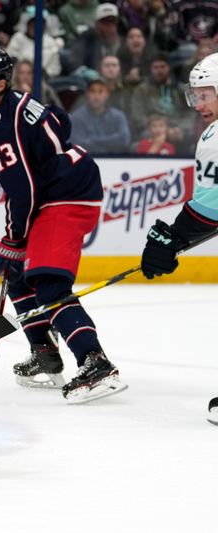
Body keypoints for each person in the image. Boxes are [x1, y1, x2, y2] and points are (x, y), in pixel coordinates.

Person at [0, 47, 127, 404]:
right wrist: (13, 244)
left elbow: (24, 192)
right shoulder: (23, 101)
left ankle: (95, 361)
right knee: (15, 270)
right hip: (65, 186)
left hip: (65, 196)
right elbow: (62, 120)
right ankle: (45, 352)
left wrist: (14, 237)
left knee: (50, 283)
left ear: (0, 83)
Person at [139, 52, 218, 425]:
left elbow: (210, 210)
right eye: (195, 95)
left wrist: (171, 239)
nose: (197, 103)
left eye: (205, 94)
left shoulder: (214, 138)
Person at [69, 77, 131, 154]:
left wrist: (92, 140)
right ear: (87, 94)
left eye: (100, 91)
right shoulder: (76, 117)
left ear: (107, 94)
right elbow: (78, 144)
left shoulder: (118, 116)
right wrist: (109, 145)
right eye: (93, 91)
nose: (96, 96)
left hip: (115, 162)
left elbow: (124, 139)